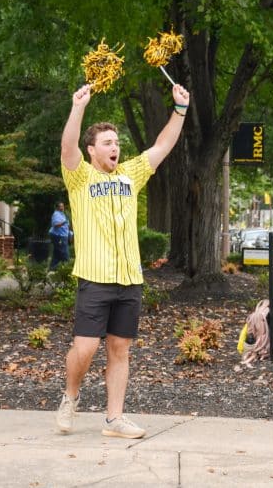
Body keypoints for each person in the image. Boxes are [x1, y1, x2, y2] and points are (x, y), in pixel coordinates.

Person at [55, 82, 189, 439]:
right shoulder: (80, 176)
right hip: (95, 277)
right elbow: (68, 148)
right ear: (92, 150)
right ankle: (70, 397)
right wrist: (78, 106)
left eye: (117, 142)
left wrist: (180, 110)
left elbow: (162, 146)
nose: (115, 147)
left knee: (119, 348)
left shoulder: (130, 173)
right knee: (85, 348)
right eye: (107, 143)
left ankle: (114, 419)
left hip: (130, 278)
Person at [48, 202, 71, 269]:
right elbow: (56, 225)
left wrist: (69, 233)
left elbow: (67, 225)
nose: (62, 207)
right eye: (60, 206)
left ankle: (52, 268)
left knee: (57, 254)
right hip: (59, 236)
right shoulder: (56, 214)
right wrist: (64, 222)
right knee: (64, 253)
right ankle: (68, 268)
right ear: (57, 207)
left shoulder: (62, 214)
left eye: (63, 206)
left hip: (63, 235)